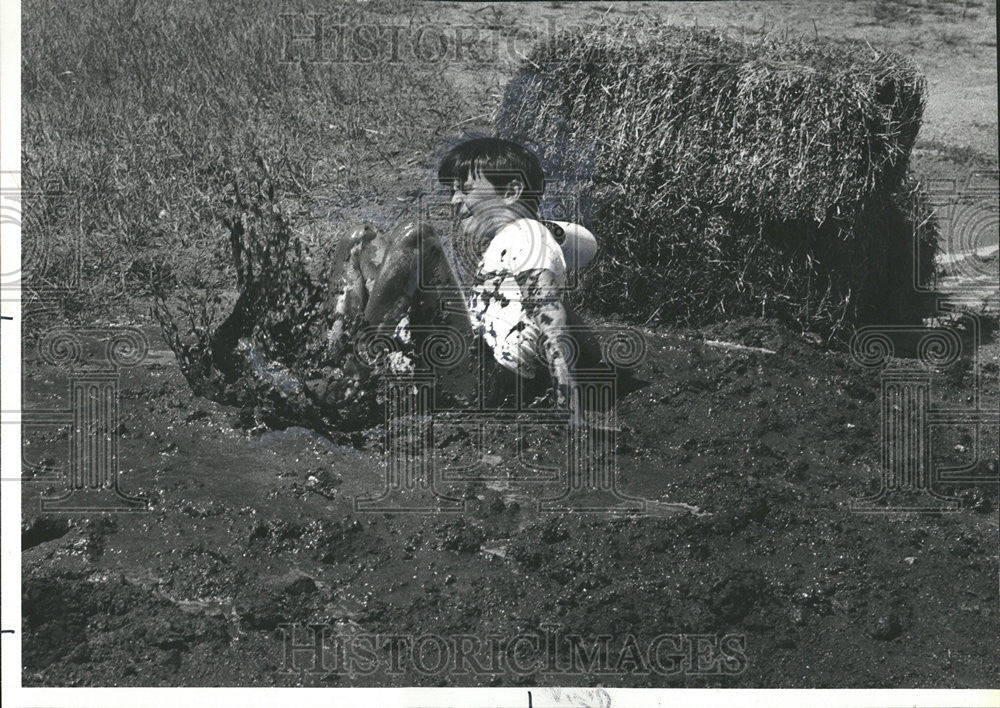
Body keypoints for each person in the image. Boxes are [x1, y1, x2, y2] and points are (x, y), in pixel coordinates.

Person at [437, 137, 597, 425]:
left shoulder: (525, 233)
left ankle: (348, 367)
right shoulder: (512, 243)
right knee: (361, 245)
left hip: (486, 380)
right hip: (484, 381)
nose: (454, 200)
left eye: (465, 189)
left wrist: (569, 407)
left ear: (511, 191)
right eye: (452, 190)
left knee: (414, 241)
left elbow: (549, 313)